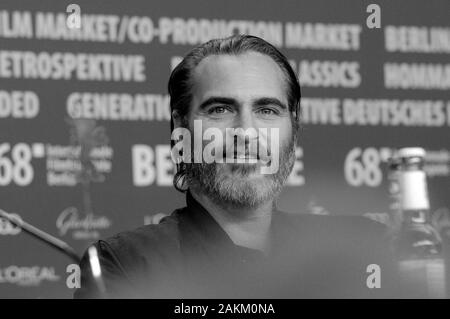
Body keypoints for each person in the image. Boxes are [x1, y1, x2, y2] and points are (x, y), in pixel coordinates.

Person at [74, 35, 399, 299]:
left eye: (267, 111)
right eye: (219, 109)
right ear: (180, 128)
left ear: (294, 129)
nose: (246, 131)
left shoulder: (362, 251)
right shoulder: (125, 265)